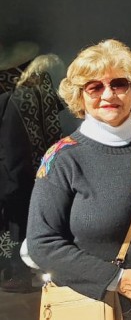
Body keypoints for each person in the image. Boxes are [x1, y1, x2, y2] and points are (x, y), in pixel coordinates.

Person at [26, 39, 131, 318]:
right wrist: (117, 279)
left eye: (119, 84)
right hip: (95, 305)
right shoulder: (63, 158)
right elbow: (42, 243)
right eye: (94, 87)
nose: (108, 95)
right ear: (79, 96)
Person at [0, 54, 64, 292]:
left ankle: (20, 272)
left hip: (19, 165)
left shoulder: (10, 85)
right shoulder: (42, 79)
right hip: (45, 162)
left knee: (17, 217)